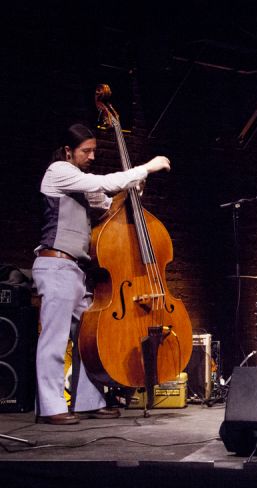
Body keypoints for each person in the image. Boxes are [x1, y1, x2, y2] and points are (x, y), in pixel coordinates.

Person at [33, 123, 171, 424]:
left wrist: (133, 190)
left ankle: (87, 402)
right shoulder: (58, 171)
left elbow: (109, 207)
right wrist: (145, 167)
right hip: (55, 265)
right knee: (55, 341)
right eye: (87, 151)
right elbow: (105, 182)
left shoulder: (80, 183)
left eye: (94, 150)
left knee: (88, 339)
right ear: (69, 151)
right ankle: (50, 408)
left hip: (76, 271)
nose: (92, 155)